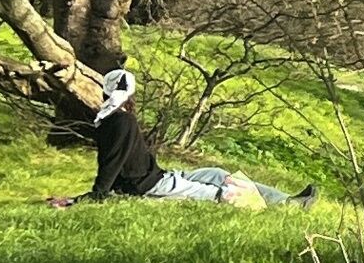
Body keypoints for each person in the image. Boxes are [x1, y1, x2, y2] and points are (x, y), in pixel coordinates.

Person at [51, 66, 315, 210]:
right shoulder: (121, 121)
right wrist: (96, 195)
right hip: (150, 186)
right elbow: (112, 162)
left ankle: (286, 200)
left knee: (217, 173)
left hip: (161, 176)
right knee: (223, 193)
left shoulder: (111, 119)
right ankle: (287, 209)